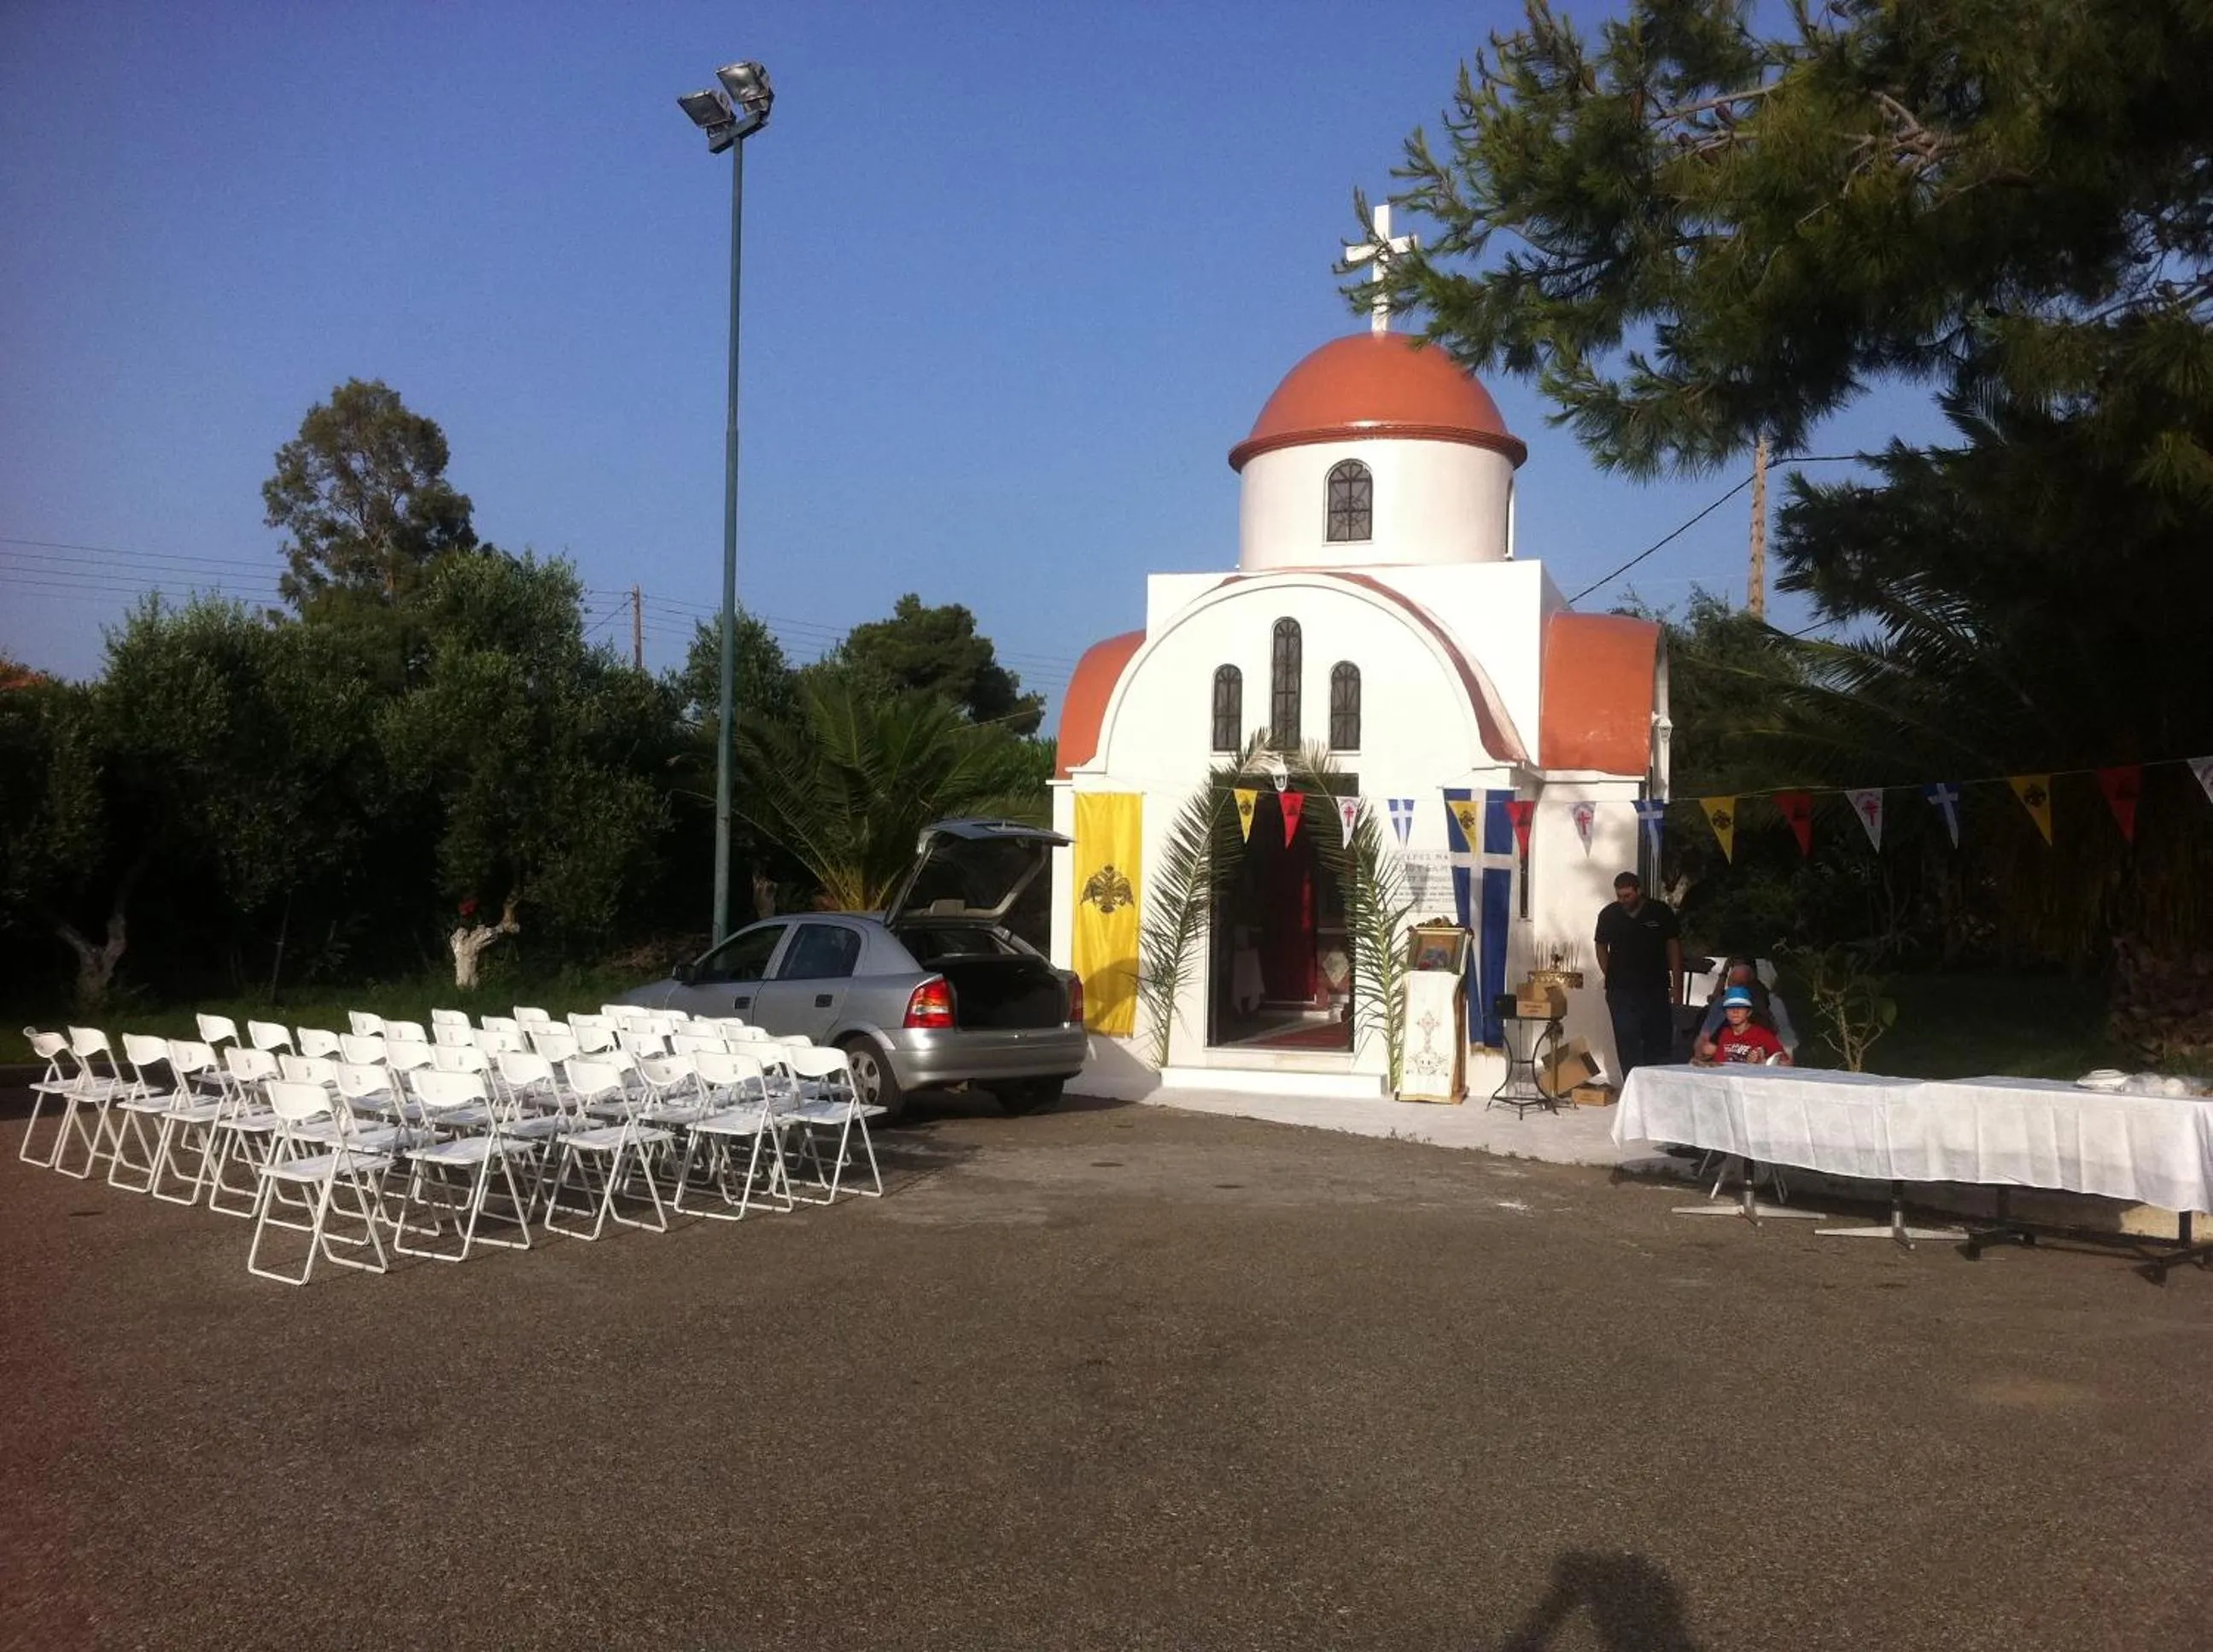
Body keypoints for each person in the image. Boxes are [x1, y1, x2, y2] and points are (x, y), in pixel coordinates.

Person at [1592, 871, 1683, 1081]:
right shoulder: (1609, 915)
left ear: (1639, 891)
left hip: (1654, 988)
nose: (1623, 901)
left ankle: (1655, 1085)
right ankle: (1632, 1087)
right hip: (1621, 992)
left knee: (1657, 1040)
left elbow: (1673, 946)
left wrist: (1676, 986)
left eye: (1627, 896)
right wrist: (1610, 975)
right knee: (1627, 1042)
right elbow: (1600, 945)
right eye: (1619, 896)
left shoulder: (1660, 912)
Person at [1695, 956, 1796, 1056]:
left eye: (1737, 984)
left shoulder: (1772, 1004)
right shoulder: (1723, 1008)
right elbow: (1703, 1041)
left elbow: (1786, 1047)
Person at [1699, 986, 1792, 1065]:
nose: (1735, 1011)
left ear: (1749, 1012)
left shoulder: (1762, 1035)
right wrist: (1700, 1060)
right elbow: (1706, 1055)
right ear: (1725, 1012)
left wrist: (1763, 1063)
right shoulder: (1722, 1032)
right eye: (1730, 1007)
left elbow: (1787, 1063)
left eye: (1740, 1007)